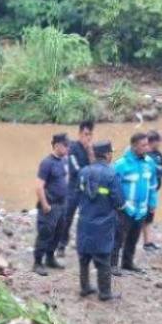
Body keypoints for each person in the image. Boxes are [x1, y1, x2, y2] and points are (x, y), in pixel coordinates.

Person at [75, 140, 125, 302]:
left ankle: (85, 288)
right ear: (108, 155)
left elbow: (77, 195)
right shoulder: (112, 174)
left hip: (84, 222)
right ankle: (104, 293)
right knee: (103, 258)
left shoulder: (83, 172)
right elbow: (119, 201)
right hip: (103, 223)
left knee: (84, 257)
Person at [112, 132, 158, 275]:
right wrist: (119, 206)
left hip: (142, 210)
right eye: (143, 145)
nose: (147, 148)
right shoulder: (120, 165)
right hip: (125, 210)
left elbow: (153, 184)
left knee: (133, 238)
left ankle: (127, 263)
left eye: (147, 144)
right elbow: (113, 187)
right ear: (134, 146)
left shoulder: (149, 163)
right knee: (118, 238)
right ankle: (112, 264)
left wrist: (152, 203)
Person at [33, 133, 70, 276]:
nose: (68, 148)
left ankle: (50, 258)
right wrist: (45, 204)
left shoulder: (63, 161)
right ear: (56, 146)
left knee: (58, 233)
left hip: (62, 204)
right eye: (65, 145)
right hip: (50, 205)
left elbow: (64, 179)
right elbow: (39, 186)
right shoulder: (46, 163)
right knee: (45, 233)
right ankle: (37, 262)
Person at [58, 120, 95, 259]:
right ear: (80, 134)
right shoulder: (73, 148)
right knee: (67, 217)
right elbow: (76, 170)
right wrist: (90, 170)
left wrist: (91, 153)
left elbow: (96, 169)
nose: (88, 137)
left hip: (86, 190)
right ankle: (61, 245)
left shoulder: (91, 150)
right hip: (73, 190)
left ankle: (84, 246)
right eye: (86, 134)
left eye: (90, 134)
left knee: (87, 219)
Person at [142, 129, 162, 251]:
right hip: (145, 192)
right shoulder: (146, 156)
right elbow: (158, 170)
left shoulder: (157, 153)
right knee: (142, 217)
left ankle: (148, 242)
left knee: (149, 217)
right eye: (158, 141)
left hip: (153, 191)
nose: (160, 144)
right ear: (153, 142)